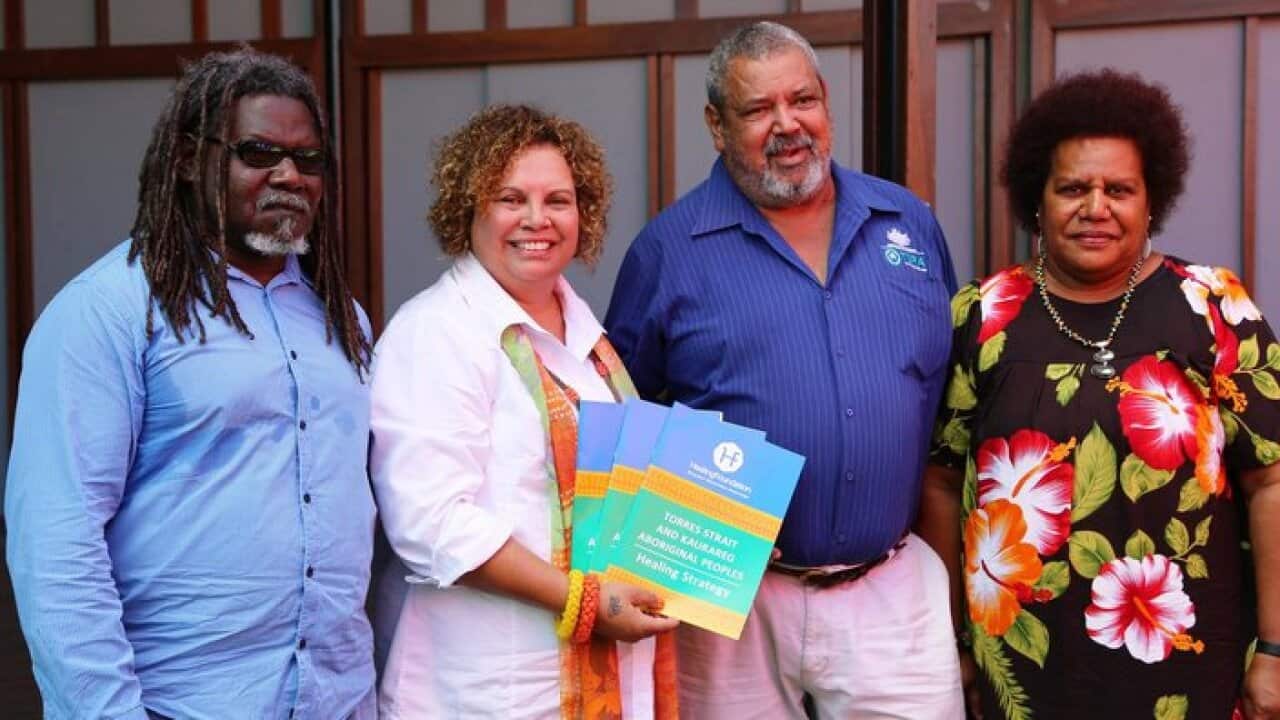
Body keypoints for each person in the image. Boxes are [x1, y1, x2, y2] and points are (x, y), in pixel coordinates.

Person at [605, 21, 963, 719]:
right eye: (758, 109)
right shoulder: (667, 252)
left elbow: (947, 393)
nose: (788, 125)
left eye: (802, 100)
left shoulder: (907, 223)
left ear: (826, 100)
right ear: (716, 125)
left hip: (891, 587)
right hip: (728, 601)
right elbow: (621, 416)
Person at [4, 48, 376, 719]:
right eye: (258, 152)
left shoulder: (342, 319)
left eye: (309, 159)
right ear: (185, 159)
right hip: (180, 705)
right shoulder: (108, 311)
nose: (289, 175)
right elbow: (57, 546)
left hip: (337, 701)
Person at [923, 68, 1280, 719]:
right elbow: (940, 485)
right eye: (1072, 188)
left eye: (1119, 189)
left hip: (1189, 663)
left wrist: (1276, 651)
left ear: (1151, 202)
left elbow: (1272, 483)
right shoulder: (983, 316)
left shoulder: (1212, 307)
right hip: (1025, 667)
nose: (1095, 207)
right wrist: (953, 646)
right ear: (1037, 198)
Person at [369, 104, 679, 719]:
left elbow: (620, 488)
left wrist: (722, 537)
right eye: (510, 198)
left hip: (598, 682)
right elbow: (432, 525)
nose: (537, 219)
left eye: (557, 200)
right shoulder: (435, 331)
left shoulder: (587, 336)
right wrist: (585, 601)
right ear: (468, 208)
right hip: (488, 689)